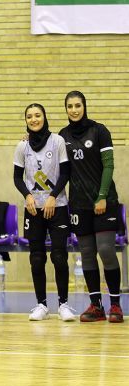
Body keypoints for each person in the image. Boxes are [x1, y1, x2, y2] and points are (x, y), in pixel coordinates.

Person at [59, 91, 123, 323]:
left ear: (84, 106)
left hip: (104, 202)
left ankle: (115, 305)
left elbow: (109, 166)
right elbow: (50, 155)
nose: (74, 110)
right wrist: (28, 140)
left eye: (78, 105)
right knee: (86, 253)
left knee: (105, 250)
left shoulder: (99, 131)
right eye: (70, 106)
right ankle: (96, 306)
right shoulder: (62, 136)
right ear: (66, 109)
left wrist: (102, 196)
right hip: (79, 205)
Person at [14, 103, 75, 321]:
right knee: (37, 258)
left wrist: (52, 196)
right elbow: (17, 178)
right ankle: (41, 305)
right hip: (33, 210)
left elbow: (65, 173)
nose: (34, 119)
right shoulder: (22, 146)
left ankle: (63, 305)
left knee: (59, 256)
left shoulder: (57, 141)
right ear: (26, 120)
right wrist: (27, 196)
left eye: (37, 115)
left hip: (57, 207)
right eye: (29, 116)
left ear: (44, 117)